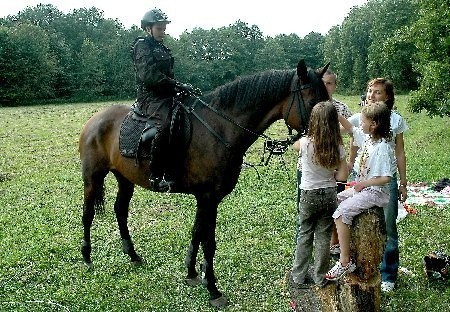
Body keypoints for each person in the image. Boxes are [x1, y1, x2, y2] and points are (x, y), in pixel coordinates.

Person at [348, 78, 408, 292]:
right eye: (370, 91)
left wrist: (403, 182)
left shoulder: (395, 120)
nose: (371, 95)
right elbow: (353, 147)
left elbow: (399, 152)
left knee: (388, 227)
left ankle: (388, 275)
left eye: (378, 92)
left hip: (385, 179)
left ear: (388, 97)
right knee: (357, 221)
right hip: (361, 178)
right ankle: (357, 267)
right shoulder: (359, 118)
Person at [131, 8, 199, 192]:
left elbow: (167, 74)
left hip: (167, 94)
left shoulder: (162, 47)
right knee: (164, 124)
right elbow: (149, 75)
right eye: (160, 28)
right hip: (150, 97)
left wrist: (180, 88)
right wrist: (176, 85)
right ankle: (155, 174)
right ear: (148, 29)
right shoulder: (142, 46)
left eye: (164, 28)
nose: (163, 32)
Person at [325, 102, 394, 281]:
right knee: (334, 201)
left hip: (375, 192)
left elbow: (386, 178)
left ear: (374, 124)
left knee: (341, 213)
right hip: (364, 188)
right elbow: (350, 128)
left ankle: (345, 261)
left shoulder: (383, 148)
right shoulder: (368, 138)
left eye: (363, 120)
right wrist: (336, 113)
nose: (359, 123)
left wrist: (363, 184)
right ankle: (335, 245)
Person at [289, 101, 348, 289]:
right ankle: (320, 277)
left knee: (304, 234)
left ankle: (298, 276)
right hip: (329, 193)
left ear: (313, 121)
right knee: (323, 236)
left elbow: (293, 146)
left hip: (308, 194)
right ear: (333, 121)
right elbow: (342, 176)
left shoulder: (305, 143)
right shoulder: (338, 146)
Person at [322, 69, 353, 257]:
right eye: (323, 83)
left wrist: (349, 162)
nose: (326, 87)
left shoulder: (342, 108)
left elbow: (353, 133)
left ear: (335, 85)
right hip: (312, 170)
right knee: (310, 210)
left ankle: (334, 245)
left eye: (329, 83)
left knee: (337, 206)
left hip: (336, 166)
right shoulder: (309, 106)